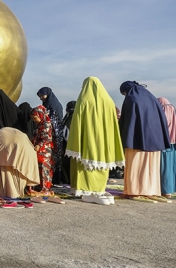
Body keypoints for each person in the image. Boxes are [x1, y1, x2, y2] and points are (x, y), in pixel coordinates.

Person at [65, 77, 123, 205]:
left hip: (88, 139)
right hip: (104, 139)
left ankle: (84, 190)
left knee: (84, 161)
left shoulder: (84, 99)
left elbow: (77, 122)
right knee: (102, 161)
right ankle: (99, 189)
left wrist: (76, 139)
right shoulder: (109, 101)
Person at [119, 81, 171, 198]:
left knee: (135, 164)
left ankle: (134, 191)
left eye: (124, 93)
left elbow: (128, 120)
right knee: (151, 167)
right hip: (155, 139)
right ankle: (150, 191)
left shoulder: (132, 98)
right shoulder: (151, 98)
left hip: (136, 139)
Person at [0, 127, 40, 199]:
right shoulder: (27, 144)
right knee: (17, 168)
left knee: (0, 168)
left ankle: (0, 191)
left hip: (2, 143)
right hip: (22, 145)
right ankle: (15, 191)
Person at [37, 87, 66, 185]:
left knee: (55, 155)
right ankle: (53, 179)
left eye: (42, 95)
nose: (41, 98)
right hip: (52, 132)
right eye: (40, 96)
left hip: (55, 133)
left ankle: (56, 179)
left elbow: (51, 120)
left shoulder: (53, 105)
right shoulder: (47, 104)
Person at [157, 97, 176, 196]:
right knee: (170, 168)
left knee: (163, 168)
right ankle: (169, 190)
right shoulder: (174, 120)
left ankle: (162, 190)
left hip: (162, 146)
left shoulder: (160, 116)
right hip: (172, 147)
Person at [29, 105, 55, 193]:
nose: (34, 121)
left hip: (45, 151)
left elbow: (47, 137)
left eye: (35, 118)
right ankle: (40, 186)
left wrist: (39, 145)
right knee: (39, 169)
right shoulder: (40, 125)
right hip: (39, 151)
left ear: (40, 115)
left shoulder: (46, 124)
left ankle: (45, 188)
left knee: (45, 169)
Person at [60, 100, 76, 184]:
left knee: (67, 164)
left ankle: (68, 180)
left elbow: (66, 133)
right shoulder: (74, 116)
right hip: (72, 145)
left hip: (68, 145)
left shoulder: (70, 118)